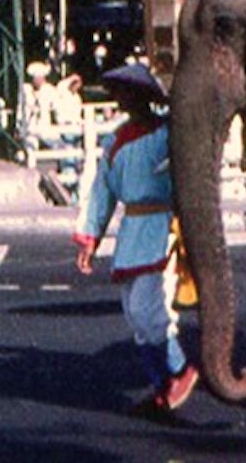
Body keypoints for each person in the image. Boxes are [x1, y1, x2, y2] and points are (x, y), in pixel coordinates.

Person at [73, 63, 199, 415]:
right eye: (120, 91)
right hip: (132, 231)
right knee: (135, 315)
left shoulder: (167, 135)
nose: (123, 97)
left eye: (130, 90)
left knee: (151, 308)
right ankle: (163, 386)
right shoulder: (114, 141)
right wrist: (91, 238)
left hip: (161, 227)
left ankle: (179, 369)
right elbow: (102, 192)